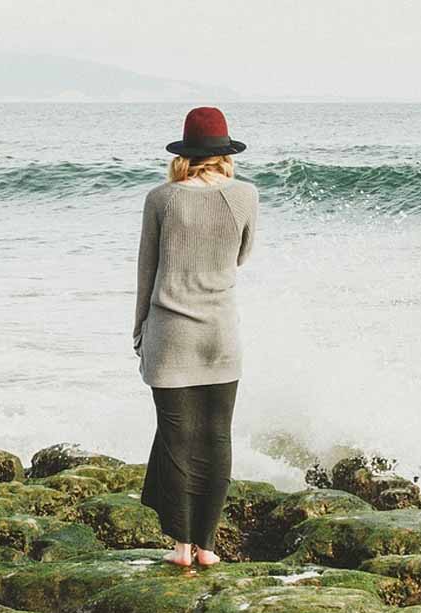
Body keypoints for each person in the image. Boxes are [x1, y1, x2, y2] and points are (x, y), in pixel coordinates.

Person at [133, 106, 258, 567]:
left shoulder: (161, 198)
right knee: (217, 438)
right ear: (225, 154)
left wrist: (138, 331)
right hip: (222, 333)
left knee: (176, 439)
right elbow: (242, 255)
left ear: (185, 153)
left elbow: (146, 271)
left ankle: (181, 549)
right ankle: (208, 547)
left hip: (170, 334)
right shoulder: (246, 196)